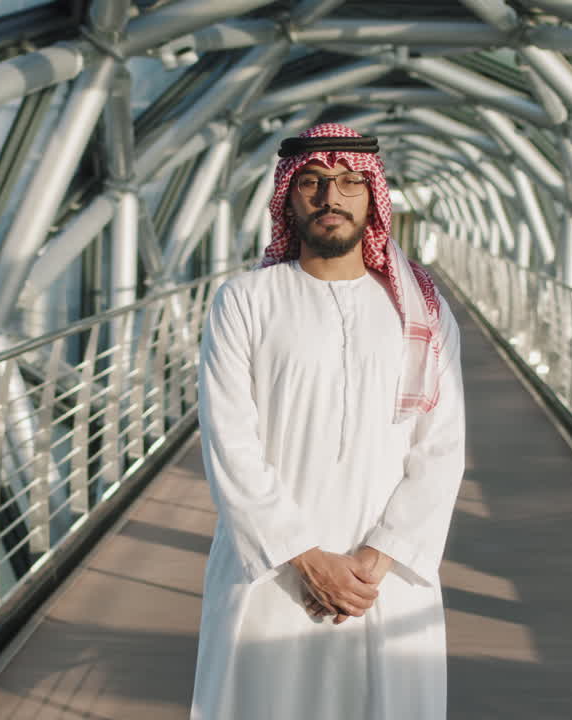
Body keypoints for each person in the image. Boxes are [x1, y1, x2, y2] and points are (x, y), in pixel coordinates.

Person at [191, 122, 466, 719]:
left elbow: (441, 448)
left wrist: (377, 559)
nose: (330, 198)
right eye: (313, 183)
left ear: (372, 199)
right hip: (272, 569)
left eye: (348, 183)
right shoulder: (243, 300)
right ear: (288, 198)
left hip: (384, 580)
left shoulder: (419, 309)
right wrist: (307, 559)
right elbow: (229, 443)